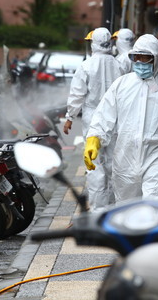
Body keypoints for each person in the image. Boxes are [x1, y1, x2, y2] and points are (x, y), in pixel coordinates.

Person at [84, 34, 158, 201]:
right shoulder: (121, 85)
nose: (140, 62)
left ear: (156, 59)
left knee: (153, 206)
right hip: (124, 158)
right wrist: (94, 140)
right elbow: (104, 116)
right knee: (125, 211)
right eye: (136, 57)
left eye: (146, 58)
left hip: (156, 159)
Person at [63, 27, 122, 210]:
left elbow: (76, 95)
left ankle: (98, 209)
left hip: (92, 118)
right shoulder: (118, 65)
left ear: (93, 43)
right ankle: (116, 207)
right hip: (114, 118)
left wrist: (70, 117)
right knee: (114, 163)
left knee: (94, 163)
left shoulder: (86, 66)